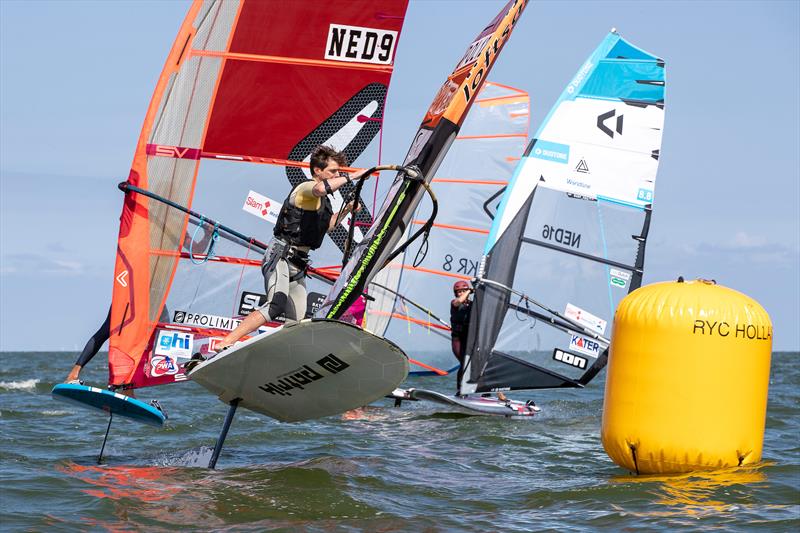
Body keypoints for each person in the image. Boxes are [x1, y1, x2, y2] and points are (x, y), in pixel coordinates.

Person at [216, 145, 367, 350]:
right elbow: (321, 188)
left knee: (295, 322)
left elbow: (328, 227)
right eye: (333, 171)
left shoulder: (324, 202)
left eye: (338, 172)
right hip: (280, 256)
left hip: (298, 264)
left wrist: (347, 209)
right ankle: (225, 342)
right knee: (275, 305)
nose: (337, 175)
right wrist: (353, 177)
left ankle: (282, 357)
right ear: (317, 171)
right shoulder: (306, 188)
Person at [449, 280, 506, 401]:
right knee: (465, 363)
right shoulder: (454, 303)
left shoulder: (473, 304)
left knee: (482, 363)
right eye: (459, 291)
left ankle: (490, 391)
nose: (461, 293)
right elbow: (459, 301)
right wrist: (469, 290)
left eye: (463, 291)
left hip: (471, 339)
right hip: (458, 340)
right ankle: (461, 390)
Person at [65, 308, 111, 384]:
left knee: (106, 330)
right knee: (106, 330)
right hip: (129, 301)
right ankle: (127, 389)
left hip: (125, 300)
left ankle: (73, 374)